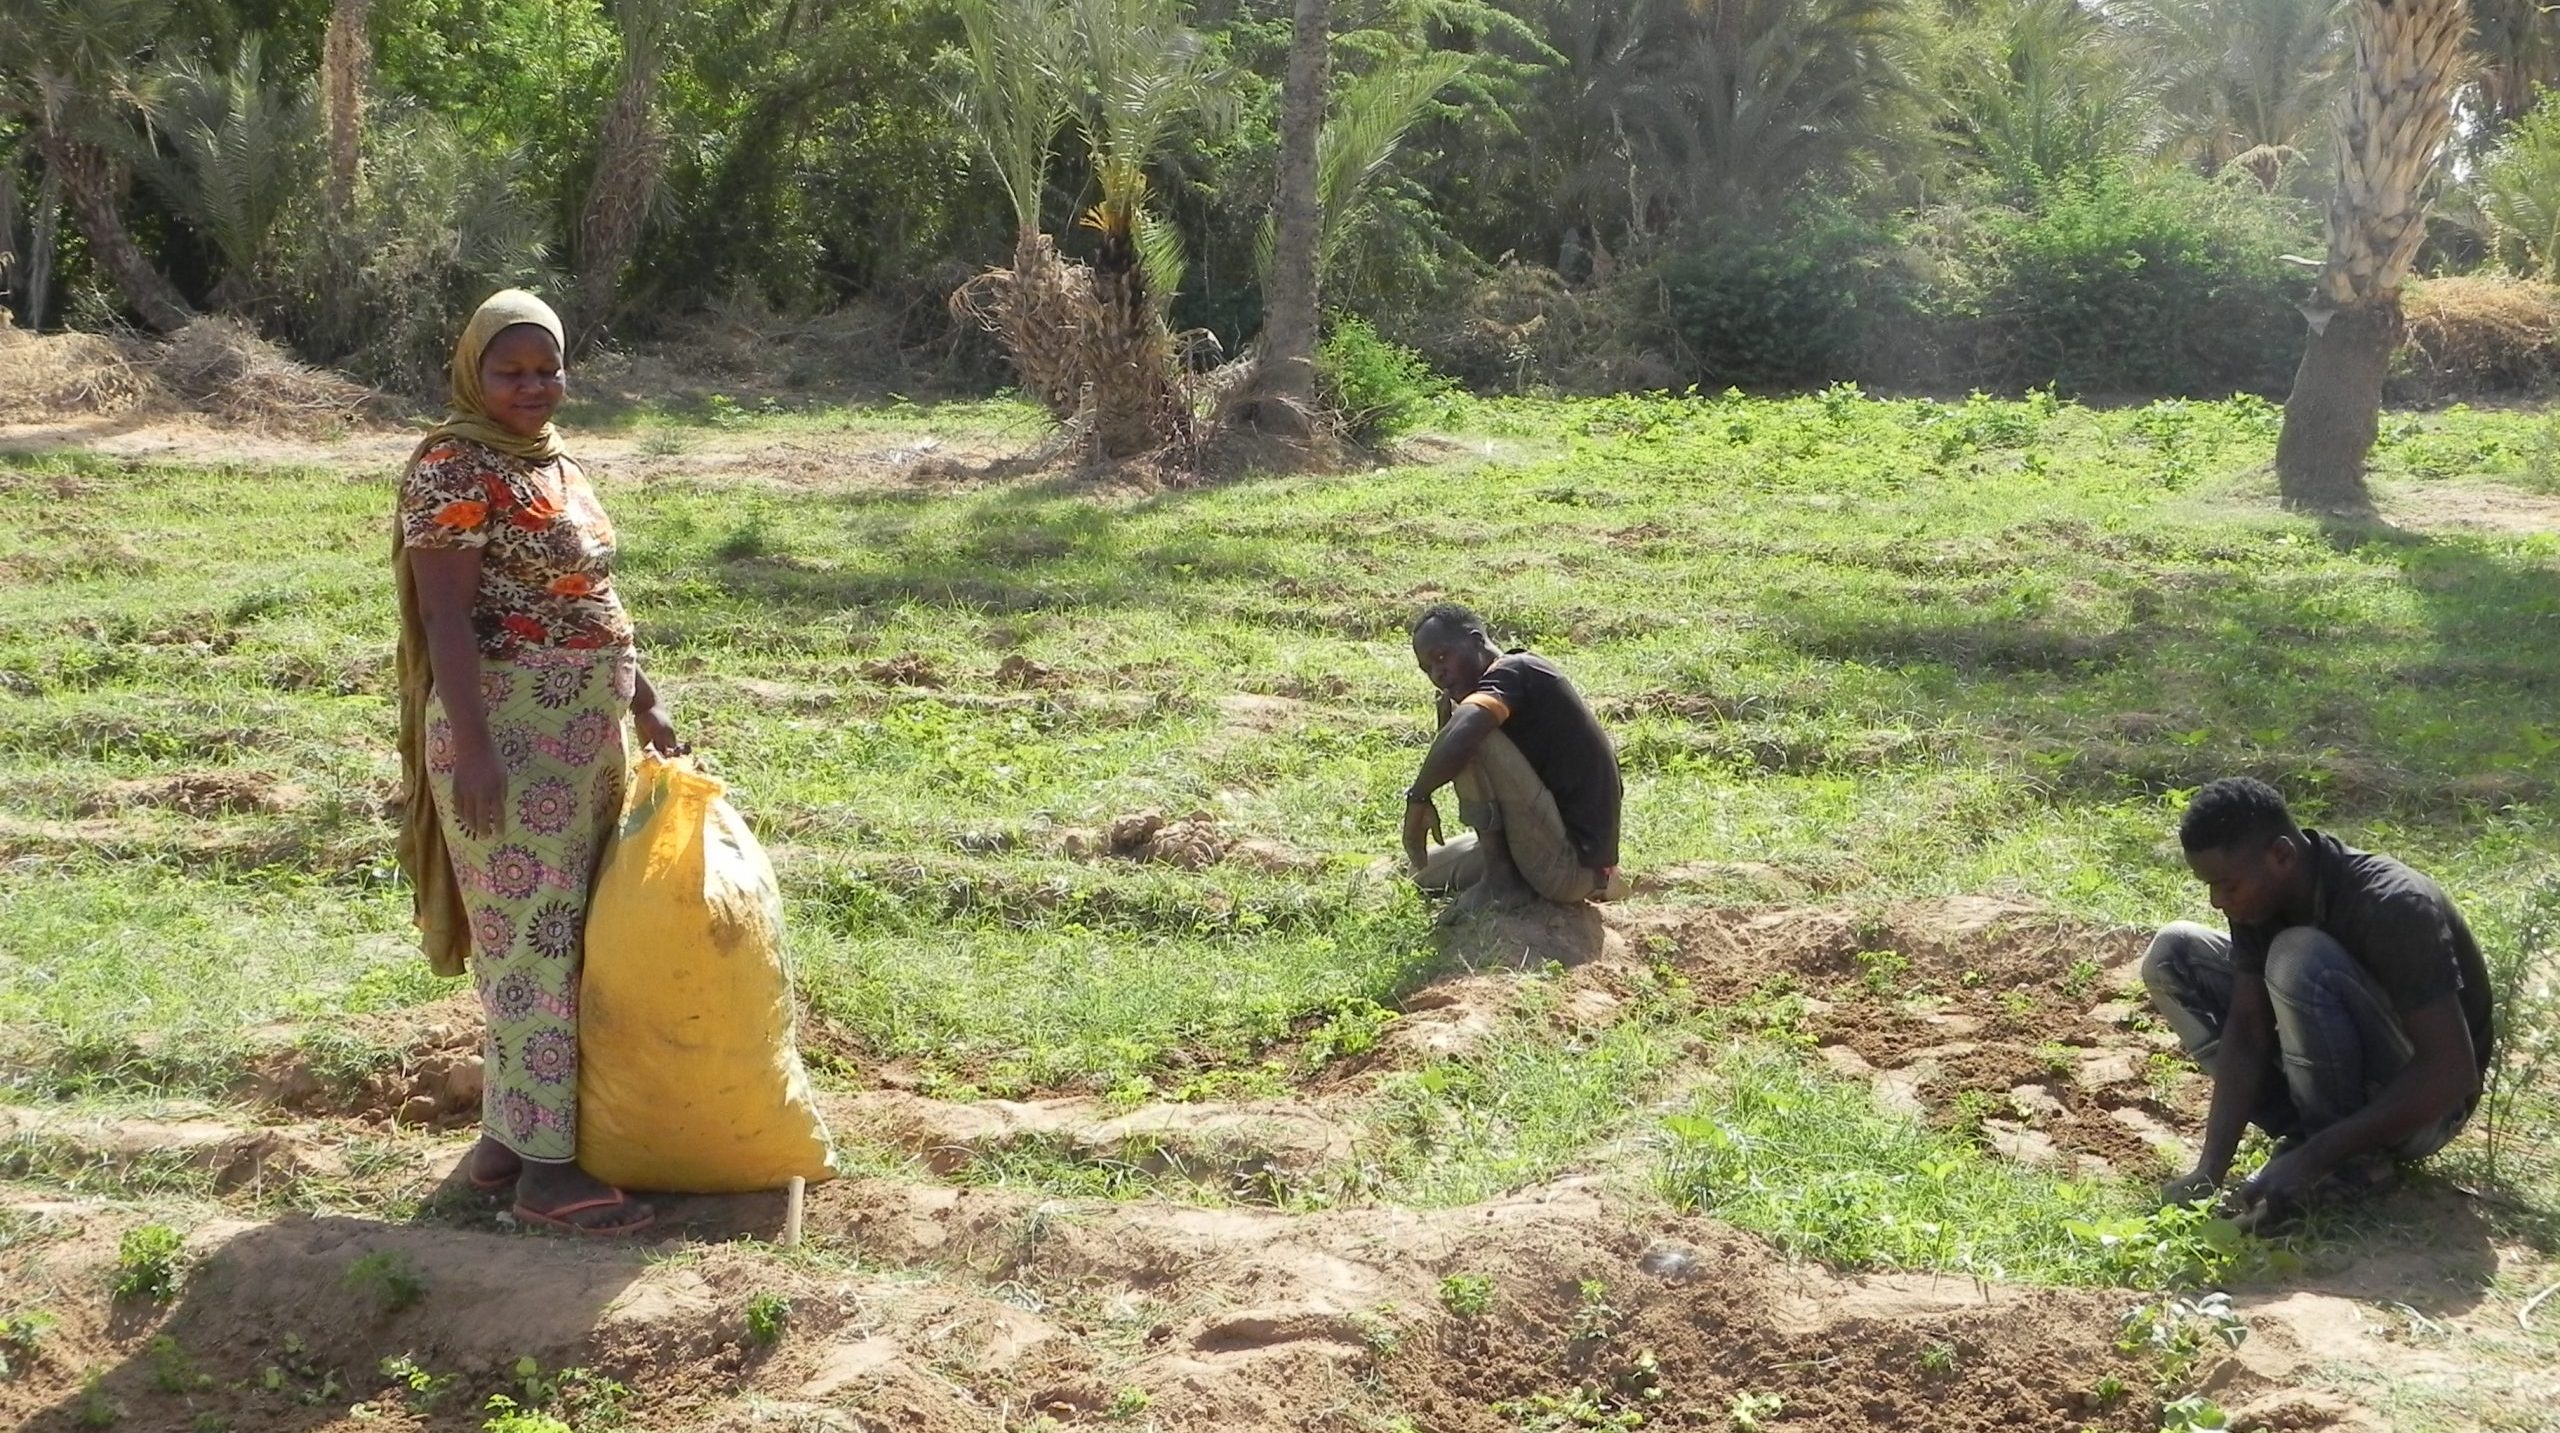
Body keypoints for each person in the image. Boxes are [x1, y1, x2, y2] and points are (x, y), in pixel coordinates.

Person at [394, 289, 684, 1236]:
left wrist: (643, 700)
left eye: (547, 369)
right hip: (511, 736)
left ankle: (507, 1141)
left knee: (567, 928)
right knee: (534, 942)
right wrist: (473, 747)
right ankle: (548, 1174)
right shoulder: (455, 465)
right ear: (471, 370)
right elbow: (445, 617)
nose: (533, 387)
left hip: (582, 732)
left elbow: (591, 588)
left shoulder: (551, 463)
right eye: (510, 371)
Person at [2143, 777, 2492, 1231]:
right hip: (2348, 1094)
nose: (2217, 901)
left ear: (2282, 855)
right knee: (2173, 952)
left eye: (2227, 886)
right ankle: (2307, 1138)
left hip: (2424, 1111)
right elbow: (2247, 1031)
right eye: (2210, 887)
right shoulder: (2261, 898)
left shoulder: (2393, 905)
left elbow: (2450, 1075)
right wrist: (2210, 1169)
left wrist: (2316, 1155)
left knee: (2297, 956)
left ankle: (2347, 1165)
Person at [1402, 603, 1626, 912]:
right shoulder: (1505, 685)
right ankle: (1504, 870)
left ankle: (1501, 881)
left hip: (1569, 865)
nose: (1437, 674)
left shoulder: (1517, 670)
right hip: (1547, 852)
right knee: (1419, 872)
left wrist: (1418, 796)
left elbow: (1464, 732)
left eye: (1442, 657)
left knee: (1466, 727)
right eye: (1427, 668)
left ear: (1476, 641)